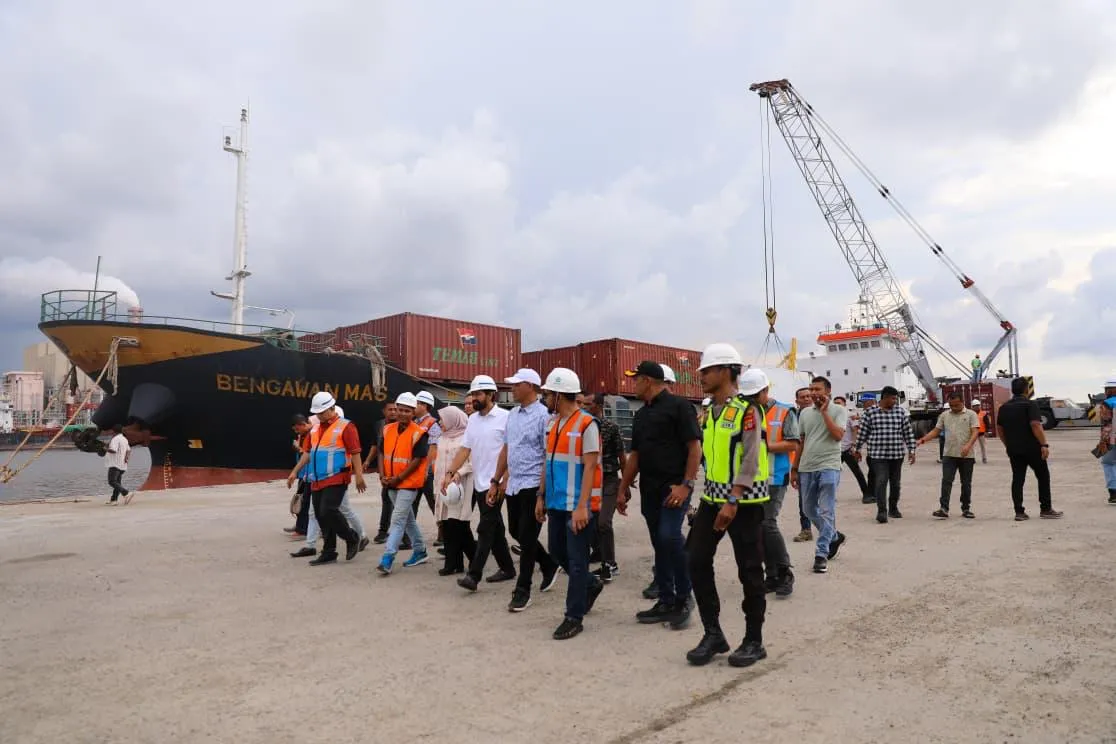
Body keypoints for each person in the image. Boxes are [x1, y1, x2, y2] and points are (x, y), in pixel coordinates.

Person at [685, 353, 771, 668]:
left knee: (749, 569)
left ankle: (754, 640)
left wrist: (733, 499)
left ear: (726, 371)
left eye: (707, 370)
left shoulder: (747, 411)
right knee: (695, 559)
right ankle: (713, 633)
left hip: (743, 503)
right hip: (712, 498)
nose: (702, 376)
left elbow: (750, 458)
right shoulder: (709, 412)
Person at [619, 360, 701, 629]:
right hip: (650, 490)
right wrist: (623, 488)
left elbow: (694, 448)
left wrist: (685, 484)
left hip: (674, 488)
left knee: (669, 536)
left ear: (649, 381)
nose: (633, 383)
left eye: (636, 378)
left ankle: (684, 597)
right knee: (660, 542)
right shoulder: (641, 415)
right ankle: (666, 600)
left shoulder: (680, 407)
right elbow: (636, 456)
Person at [537, 368, 605, 640]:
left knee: (577, 562)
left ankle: (573, 616)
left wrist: (582, 506)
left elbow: (590, 467)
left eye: (548, 394)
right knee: (557, 552)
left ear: (559, 394)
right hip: (555, 501)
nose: (545, 398)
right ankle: (590, 584)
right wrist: (541, 496)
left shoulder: (587, 424)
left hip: (577, 504)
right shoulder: (552, 424)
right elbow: (548, 461)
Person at [492, 368, 559, 613]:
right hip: (514, 484)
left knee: (528, 538)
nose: (512, 388)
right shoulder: (513, 416)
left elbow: (546, 457)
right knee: (515, 531)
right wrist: (496, 480)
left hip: (533, 484)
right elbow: (506, 450)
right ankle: (550, 564)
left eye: (516, 384)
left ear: (530, 386)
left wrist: (542, 492)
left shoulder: (544, 416)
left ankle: (523, 590)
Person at [442, 375, 516, 592]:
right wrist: (450, 472)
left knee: (485, 528)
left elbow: (512, 450)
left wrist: (506, 478)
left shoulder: (506, 417)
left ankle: (473, 576)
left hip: (498, 482)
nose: (474, 398)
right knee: (496, 528)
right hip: (480, 483)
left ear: (491, 395)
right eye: (472, 394)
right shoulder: (473, 420)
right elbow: (466, 449)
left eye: (478, 394)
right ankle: (508, 568)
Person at [286, 392, 365, 566]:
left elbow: (355, 452)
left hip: (337, 476)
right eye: (318, 413)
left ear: (332, 408)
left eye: (323, 412)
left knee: (328, 510)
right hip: (317, 478)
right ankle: (329, 551)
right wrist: (294, 472)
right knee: (321, 517)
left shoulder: (346, 426)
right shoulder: (314, 429)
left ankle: (351, 537)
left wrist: (359, 475)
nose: (320, 416)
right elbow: (307, 453)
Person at [794, 376, 847, 574]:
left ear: (828, 391)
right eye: (811, 389)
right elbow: (801, 441)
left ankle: (821, 554)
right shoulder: (805, 414)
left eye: (817, 389)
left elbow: (838, 436)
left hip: (829, 466)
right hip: (807, 467)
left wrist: (825, 413)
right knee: (808, 509)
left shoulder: (839, 410)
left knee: (826, 511)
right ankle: (833, 535)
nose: (813, 393)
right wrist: (794, 468)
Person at [376, 393, 431, 574]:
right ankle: (420, 550)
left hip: (408, 483)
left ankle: (388, 557)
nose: (402, 413)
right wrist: (383, 475)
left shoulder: (419, 433)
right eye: (400, 410)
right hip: (390, 482)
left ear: (414, 412)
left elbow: (417, 459)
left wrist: (399, 478)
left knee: (398, 519)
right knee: (408, 520)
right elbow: (381, 452)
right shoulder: (387, 429)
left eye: (407, 411)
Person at [996, 377, 1062, 520]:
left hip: (1014, 449)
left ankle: (1019, 512)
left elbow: (1000, 429)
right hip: (1032, 448)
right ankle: (1045, 509)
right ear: (1026, 389)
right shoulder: (1030, 405)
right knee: (1043, 476)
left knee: (1018, 479)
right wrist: (1044, 444)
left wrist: (1008, 445)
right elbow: (1035, 425)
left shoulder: (1004, 407)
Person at [758, 382, 799, 598]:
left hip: (776, 475)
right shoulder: (748, 411)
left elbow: (793, 444)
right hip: (753, 478)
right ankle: (771, 574)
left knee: (768, 523)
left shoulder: (785, 411)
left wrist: (764, 446)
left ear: (766, 390)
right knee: (759, 527)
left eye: (756, 394)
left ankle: (784, 572)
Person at [854, 385, 917, 524]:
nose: (895, 401)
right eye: (893, 398)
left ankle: (893, 508)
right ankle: (882, 511)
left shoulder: (901, 413)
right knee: (881, 481)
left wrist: (912, 451)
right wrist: (857, 449)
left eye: (896, 398)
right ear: (885, 397)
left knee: (896, 483)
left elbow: (908, 433)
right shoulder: (870, 413)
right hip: (878, 455)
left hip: (897, 455)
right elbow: (862, 433)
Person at [582, 392, 627, 582]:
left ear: (599, 406)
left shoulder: (610, 428)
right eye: (582, 403)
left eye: (588, 404)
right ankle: (598, 553)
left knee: (603, 522)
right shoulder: (581, 427)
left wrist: (624, 487)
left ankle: (610, 564)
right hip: (589, 480)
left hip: (608, 479)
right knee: (590, 521)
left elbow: (622, 456)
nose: (584, 407)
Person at [917, 391, 980, 518]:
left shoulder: (971, 415)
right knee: (946, 481)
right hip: (949, 455)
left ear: (962, 402)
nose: (954, 408)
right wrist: (923, 439)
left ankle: (966, 508)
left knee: (966, 483)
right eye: (951, 405)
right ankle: (944, 508)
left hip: (966, 456)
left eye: (956, 405)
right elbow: (936, 431)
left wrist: (968, 445)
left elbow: (975, 432)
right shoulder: (945, 415)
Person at [433, 405, 475, 575]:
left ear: (452, 420)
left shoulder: (466, 438)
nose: (439, 422)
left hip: (460, 486)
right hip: (443, 486)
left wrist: (459, 472)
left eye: (442, 419)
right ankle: (453, 564)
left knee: (459, 526)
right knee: (448, 526)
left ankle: (475, 558)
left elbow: (473, 462)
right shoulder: (442, 438)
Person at [367, 402, 398, 544]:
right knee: (387, 499)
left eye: (395, 409)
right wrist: (368, 462)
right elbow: (377, 448)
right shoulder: (379, 426)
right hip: (386, 470)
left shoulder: (403, 425)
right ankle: (383, 531)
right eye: (390, 409)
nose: (393, 412)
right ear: (383, 411)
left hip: (402, 471)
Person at [836, 396, 870, 501]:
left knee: (857, 472)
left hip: (848, 449)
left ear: (844, 404)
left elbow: (855, 430)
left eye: (839, 403)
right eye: (835, 403)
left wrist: (854, 445)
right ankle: (829, 495)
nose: (837, 405)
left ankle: (866, 494)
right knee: (832, 473)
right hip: (836, 451)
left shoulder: (850, 416)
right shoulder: (832, 416)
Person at [792, 387, 815, 542]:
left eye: (809, 396)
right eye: (803, 397)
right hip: (801, 463)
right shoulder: (793, 417)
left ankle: (829, 531)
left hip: (820, 462)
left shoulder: (819, 414)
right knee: (804, 499)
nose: (807, 399)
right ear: (797, 401)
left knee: (823, 501)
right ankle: (806, 529)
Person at [287, 414, 313, 536]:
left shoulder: (313, 434)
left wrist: (298, 448)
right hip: (303, 473)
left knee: (305, 501)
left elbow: (308, 455)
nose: (297, 432)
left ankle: (303, 529)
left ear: (303, 424)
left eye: (297, 429)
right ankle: (300, 525)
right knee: (300, 499)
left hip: (310, 473)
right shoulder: (303, 435)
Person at [1098, 376, 1116, 504]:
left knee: (1108, 463)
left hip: (1111, 439)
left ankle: (1113, 493)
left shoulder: (1107, 404)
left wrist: (1102, 442)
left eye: (1107, 388)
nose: (1105, 391)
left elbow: (1106, 424)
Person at [104, 423, 132, 505]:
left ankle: (126, 493)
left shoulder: (115, 439)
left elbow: (113, 450)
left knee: (112, 481)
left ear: (113, 431)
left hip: (115, 464)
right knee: (117, 483)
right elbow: (129, 450)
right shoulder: (124, 439)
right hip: (122, 464)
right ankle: (114, 500)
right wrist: (126, 458)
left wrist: (105, 448)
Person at [971, 400, 990, 464]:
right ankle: (973, 459)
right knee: (973, 447)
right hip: (973, 433)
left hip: (981, 433)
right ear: (972, 407)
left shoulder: (984, 413)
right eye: (975, 406)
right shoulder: (971, 414)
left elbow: (987, 423)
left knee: (983, 446)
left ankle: (984, 458)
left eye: (978, 405)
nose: (977, 407)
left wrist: (987, 431)